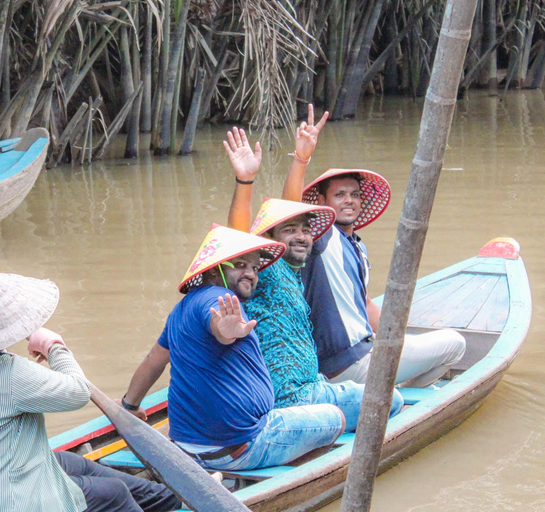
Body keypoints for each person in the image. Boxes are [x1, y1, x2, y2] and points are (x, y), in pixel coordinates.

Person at [0, 212, 181, 512]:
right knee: (114, 493)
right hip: (11, 504)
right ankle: (168, 499)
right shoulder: (9, 375)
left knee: (70, 462)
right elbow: (77, 391)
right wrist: (54, 346)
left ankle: (169, 498)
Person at [222, 121, 402, 431]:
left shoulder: (297, 276)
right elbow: (240, 237)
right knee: (377, 405)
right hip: (289, 398)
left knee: (391, 400)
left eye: (307, 231)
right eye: (290, 232)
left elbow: (292, 214)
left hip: (314, 385)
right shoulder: (265, 268)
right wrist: (246, 179)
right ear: (271, 240)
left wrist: (302, 158)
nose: (303, 237)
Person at [120, 224, 345, 472]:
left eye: (254, 268)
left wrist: (130, 405)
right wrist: (225, 332)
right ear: (215, 270)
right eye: (240, 265)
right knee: (336, 417)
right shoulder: (217, 298)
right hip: (241, 446)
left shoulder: (181, 309)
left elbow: (154, 360)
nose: (250, 273)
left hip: (191, 448)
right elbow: (217, 322)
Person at [300, 170, 466, 386]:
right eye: (339, 195)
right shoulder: (322, 238)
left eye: (355, 194)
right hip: (348, 365)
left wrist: (402, 340)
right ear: (322, 202)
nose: (349, 200)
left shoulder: (357, 247)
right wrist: (301, 161)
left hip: (367, 350)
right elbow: (294, 214)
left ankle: (390, 392)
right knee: (456, 344)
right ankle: (395, 397)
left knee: (416, 344)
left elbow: (367, 304)